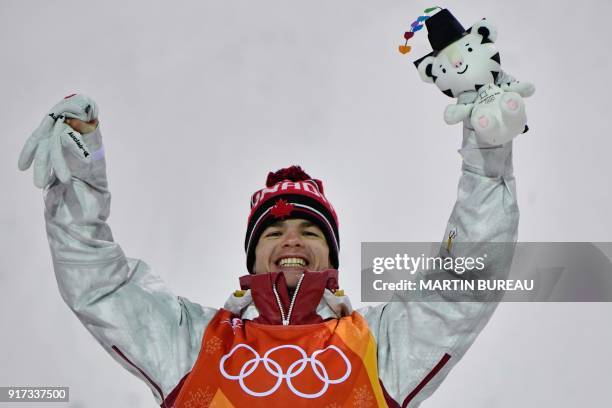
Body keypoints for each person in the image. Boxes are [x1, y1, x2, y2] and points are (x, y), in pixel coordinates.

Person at [18, 86, 518, 407]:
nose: (292, 240)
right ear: (253, 257)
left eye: (311, 231)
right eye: (274, 233)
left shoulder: (379, 347)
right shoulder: (194, 344)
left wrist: (486, 159)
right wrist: (79, 182)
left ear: (333, 258)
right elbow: (100, 286)